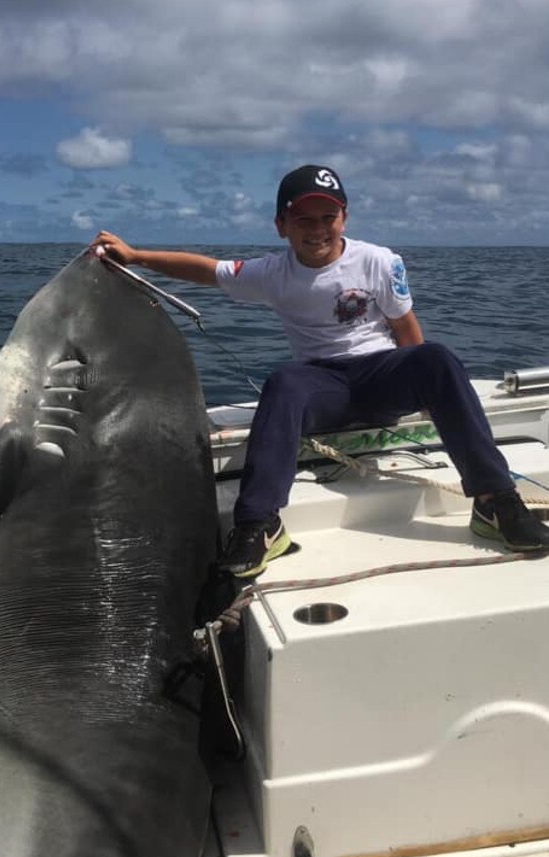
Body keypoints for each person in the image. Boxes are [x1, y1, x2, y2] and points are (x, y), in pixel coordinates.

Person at [94, 163, 549, 577]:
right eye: (303, 219)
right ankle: (259, 524)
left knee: (438, 358)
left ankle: (495, 501)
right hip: (322, 386)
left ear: (344, 219)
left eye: (327, 218)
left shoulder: (378, 261)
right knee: (284, 382)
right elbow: (208, 271)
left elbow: (406, 328)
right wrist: (136, 257)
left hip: (382, 376)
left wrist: (434, 397)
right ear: (281, 226)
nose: (317, 230)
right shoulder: (272, 273)